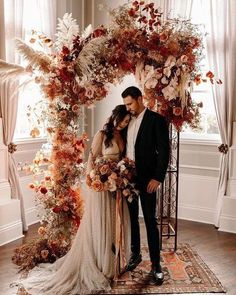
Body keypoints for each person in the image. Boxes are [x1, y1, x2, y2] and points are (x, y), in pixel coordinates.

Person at [18, 105, 131, 295]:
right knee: (101, 224)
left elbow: (122, 160)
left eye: (127, 122)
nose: (123, 124)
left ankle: (112, 263)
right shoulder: (102, 135)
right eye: (122, 120)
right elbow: (92, 159)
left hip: (116, 187)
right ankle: (100, 264)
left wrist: (122, 174)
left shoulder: (124, 135)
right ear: (115, 117)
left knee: (114, 224)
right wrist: (94, 179)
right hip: (101, 188)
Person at [122, 86, 170, 285]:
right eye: (126, 104)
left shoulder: (156, 120)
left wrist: (158, 178)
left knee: (150, 220)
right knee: (132, 218)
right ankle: (135, 254)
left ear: (140, 99)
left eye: (130, 103)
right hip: (128, 178)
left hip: (148, 179)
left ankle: (156, 264)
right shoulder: (126, 121)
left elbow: (164, 151)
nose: (128, 108)